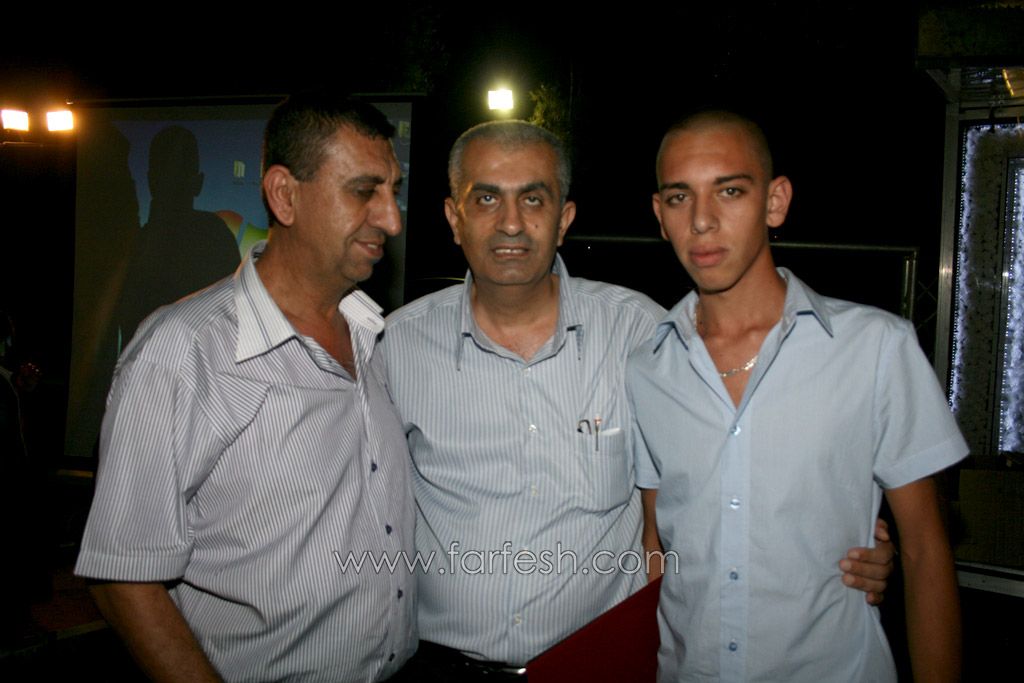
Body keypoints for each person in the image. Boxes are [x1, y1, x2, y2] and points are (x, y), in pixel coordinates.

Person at [376, 120, 894, 679]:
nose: (511, 223)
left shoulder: (643, 337)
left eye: (533, 199)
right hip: (440, 668)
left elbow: (724, 479)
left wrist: (840, 537)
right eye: (485, 199)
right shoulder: (394, 348)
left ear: (564, 219)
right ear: (454, 218)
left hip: (605, 663)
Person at [75, 94, 417, 682]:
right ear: (284, 195)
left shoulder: (372, 336)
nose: (391, 219)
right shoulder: (183, 352)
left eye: (393, 191)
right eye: (364, 191)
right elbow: (122, 580)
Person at [628, 110, 967, 681]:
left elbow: (926, 551)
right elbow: (657, 544)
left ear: (775, 201)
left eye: (729, 191)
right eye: (680, 197)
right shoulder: (647, 368)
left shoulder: (875, 348)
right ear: (661, 216)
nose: (702, 220)